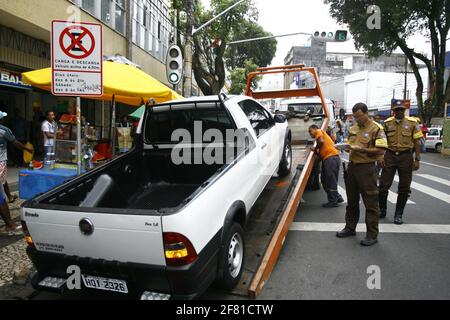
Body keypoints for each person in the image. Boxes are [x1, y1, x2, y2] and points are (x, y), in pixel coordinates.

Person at [336, 103, 387, 246]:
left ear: (366, 113)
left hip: (367, 169)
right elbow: (350, 145)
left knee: (370, 203)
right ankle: (350, 227)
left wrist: (362, 150)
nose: (356, 119)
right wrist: (346, 148)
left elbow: (381, 150)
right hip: (352, 167)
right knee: (351, 200)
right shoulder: (353, 128)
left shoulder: (376, 128)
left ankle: (372, 234)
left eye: (359, 116)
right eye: (354, 117)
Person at [378, 103, 423, 225]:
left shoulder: (413, 123)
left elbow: (417, 142)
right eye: (397, 110)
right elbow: (382, 140)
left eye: (401, 110)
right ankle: (382, 210)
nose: (399, 112)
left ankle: (399, 214)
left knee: (404, 187)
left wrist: (417, 159)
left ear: (404, 110)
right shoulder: (387, 123)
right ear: (393, 111)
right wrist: (381, 156)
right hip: (390, 155)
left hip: (406, 156)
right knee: (383, 185)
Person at [0, 111, 33, 203]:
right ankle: (3, 201)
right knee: (1, 180)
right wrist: (26, 149)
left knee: (3, 179)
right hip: (1, 160)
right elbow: (15, 143)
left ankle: (9, 196)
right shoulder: (4, 130)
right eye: (3, 117)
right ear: (1, 119)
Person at [309, 124, 344, 207]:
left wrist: (315, 148)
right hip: (328, 159)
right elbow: (321, 154)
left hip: (331, 158)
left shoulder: (319, 131)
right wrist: (316, 152)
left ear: (315, 128)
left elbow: (321, 141)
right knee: (324, 180)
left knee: (329, 180)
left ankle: (333, 201)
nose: (310, 134)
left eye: (310, 131)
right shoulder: (321, 139)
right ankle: (337, 197)